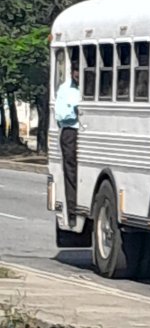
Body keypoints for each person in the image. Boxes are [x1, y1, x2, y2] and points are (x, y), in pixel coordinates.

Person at [55, 62, 81, 227]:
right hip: (71, 130)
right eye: (76, 71)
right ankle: (72, 211)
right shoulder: (65, 89)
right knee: (71, 172)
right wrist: (76, 109)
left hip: (88, 131)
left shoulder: (93, 85)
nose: (78, 74)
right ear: (72, 72)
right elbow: (61, 115)